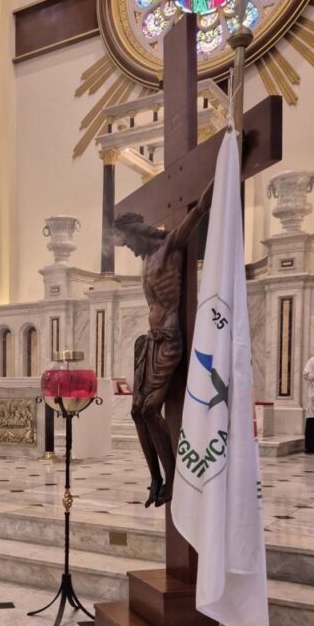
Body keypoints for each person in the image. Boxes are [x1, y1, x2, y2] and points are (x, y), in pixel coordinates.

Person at [114, 182, 212, 507]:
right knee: (135, 410)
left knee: (151, 407)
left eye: (127, 242)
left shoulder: (170, 246)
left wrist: (220, 172)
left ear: (138, 233)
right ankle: (155, 479)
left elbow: (198, 211)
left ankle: (173, 479)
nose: (127, 249)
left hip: (170, 339)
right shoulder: (145, 259)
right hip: (150, 341)